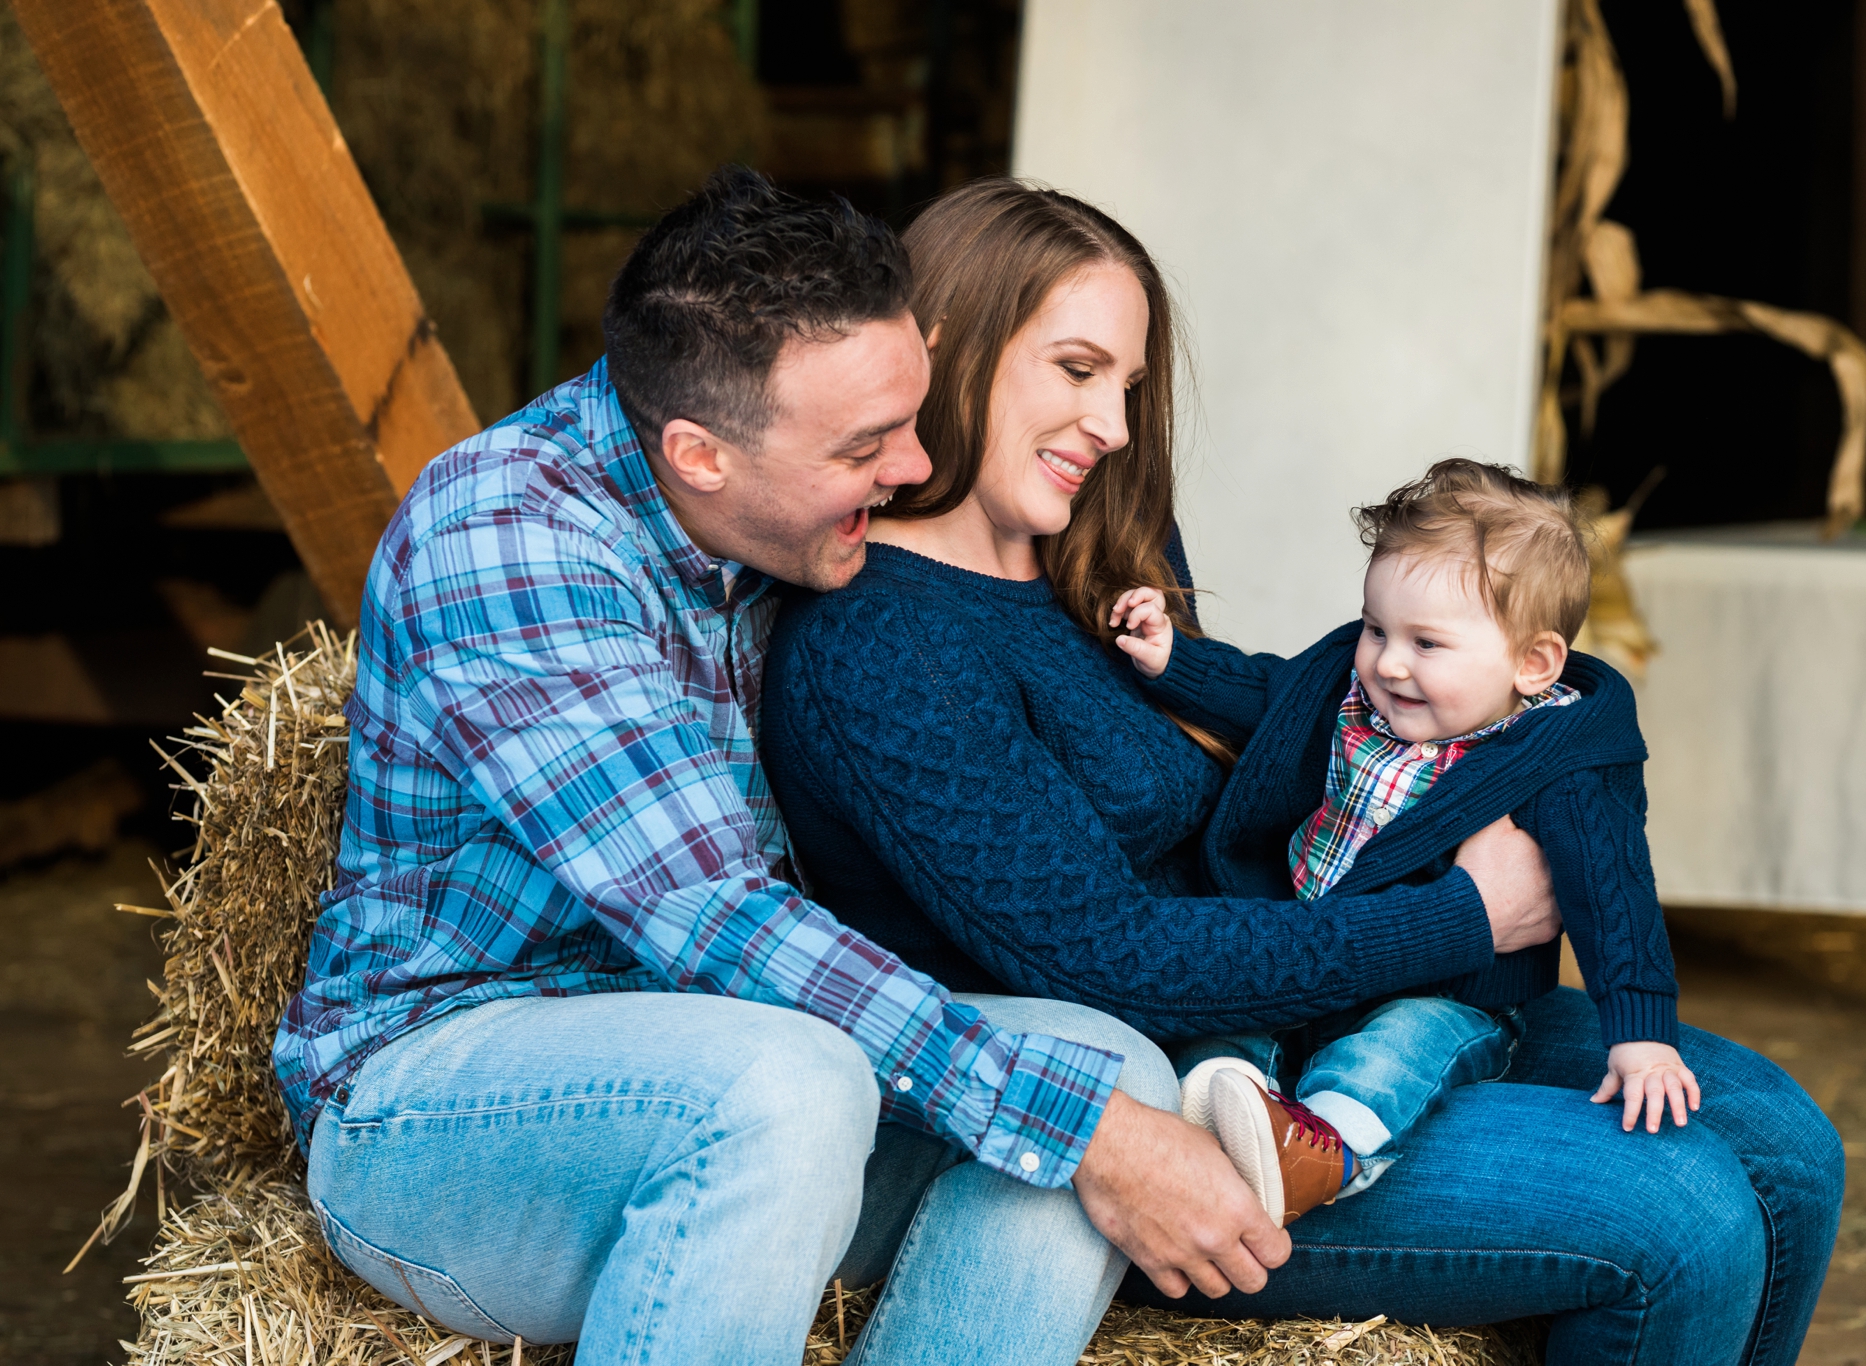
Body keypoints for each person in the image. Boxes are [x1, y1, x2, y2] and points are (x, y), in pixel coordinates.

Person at [761, 177, 1845, 1365]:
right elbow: (1108, 958)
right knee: (1678, 1217)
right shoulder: (879, 644)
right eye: (1075, 370)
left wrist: (1543, 724)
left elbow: (1300, 714)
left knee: (1787, 1151)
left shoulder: (1094, 550)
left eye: (1125, 385)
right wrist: (1463, 913)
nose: (1114, 425)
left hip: (1324, 992)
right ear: (940, 345)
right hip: (1185, 1103)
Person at [274, 166, 1295, 1366]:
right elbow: (714, 921)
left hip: (722, 1069)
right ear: (700, 453)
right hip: (443, 1108)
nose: (914, 467)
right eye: (868, 443)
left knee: (1096, 1056)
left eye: (910, 417)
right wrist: (1089, 1138)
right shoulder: (510, 536)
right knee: (806, 1082)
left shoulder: (776, 515)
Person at [1110, 458, 1699, 1228]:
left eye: (1426, 644)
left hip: (1448, 990)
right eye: (1376, 628)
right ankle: (1225, 1100)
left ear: (1533, 663)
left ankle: (1325, 1151)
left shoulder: (1559, 765)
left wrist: (1644, 1036)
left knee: (1397, 1051)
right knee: (1232, 1018)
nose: (1388, 662)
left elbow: (1614, 897)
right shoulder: (1353, 693)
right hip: (1312, 944)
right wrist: (1174, 661)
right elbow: (1265, 693)